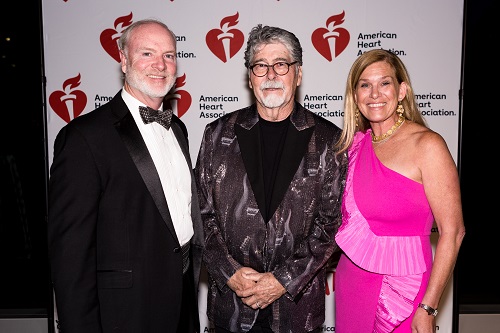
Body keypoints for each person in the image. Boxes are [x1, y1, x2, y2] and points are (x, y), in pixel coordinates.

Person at [48, 19, 204, 333]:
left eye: (169, 55)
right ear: (123, 60)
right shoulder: (84, 138)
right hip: (125, 314)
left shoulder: (179, 129)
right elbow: (70, 256)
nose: (160, 65)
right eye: (147, 53)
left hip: (183, 303)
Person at [194, 24, 348, 333]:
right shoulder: (218, 135)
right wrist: (230, 273)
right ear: (250, 77)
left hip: (297, 312)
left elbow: (332, 223)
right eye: (260, 66)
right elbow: (201, 215)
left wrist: (282, 280)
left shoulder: (329, 140)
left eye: (281, 64)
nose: (271, 75)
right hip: (231, 310)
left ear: (298, 74)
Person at [333, 49, 466, 332]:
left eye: (385, 83)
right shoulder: (354, 146)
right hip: (352, 284)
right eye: (365, 85)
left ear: (402, 90)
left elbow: (453, 233)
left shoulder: (427, 145)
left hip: (408, 290)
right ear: (355, 96)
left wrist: (428, 308)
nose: (374, 93)